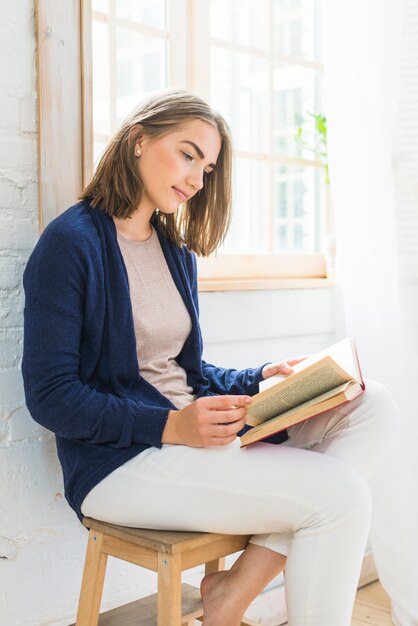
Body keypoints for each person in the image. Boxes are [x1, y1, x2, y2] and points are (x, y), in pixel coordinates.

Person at [22, 89, 398, 626]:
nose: (199, 178)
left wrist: (260, 376)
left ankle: (232, 590)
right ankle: (236, 597)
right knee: (338, 496)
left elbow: (186, 372)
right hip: (120, 464)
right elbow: (50, 396)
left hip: (194, 441)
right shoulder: (71, 243)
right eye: (188, 153)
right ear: (138, 140)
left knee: (374, 405)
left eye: (209, 166)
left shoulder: (172, 250)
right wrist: (172, 425)